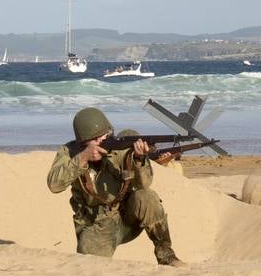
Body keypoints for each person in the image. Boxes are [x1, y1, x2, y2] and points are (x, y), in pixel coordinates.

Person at [46, 107, 184, 266]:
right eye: (96, 139)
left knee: (147, 197)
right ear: (83, 142)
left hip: (128, 216)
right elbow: (54, 185)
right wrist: (83, 157)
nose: (102, 142)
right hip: (97, 224)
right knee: (90, 266)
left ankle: (166, 256)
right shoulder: (70, 152)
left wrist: (139, 159)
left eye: (105, 136)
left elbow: (144, 185)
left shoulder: (120, 148)